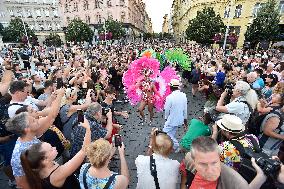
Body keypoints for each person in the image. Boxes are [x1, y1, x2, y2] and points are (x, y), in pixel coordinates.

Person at [5, 89, 64, 189]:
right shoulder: (19, 153)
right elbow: (21, 183)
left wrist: (58, 96)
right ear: (26, 129)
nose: (37, 119)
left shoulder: (33, 134)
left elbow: (52, 116)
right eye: (33, 120)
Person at [20, 117, 91, 189]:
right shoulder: (57, 175)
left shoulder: (39, 170)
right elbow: (83, 151)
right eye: (51, 149)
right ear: (45, 160)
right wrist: (88, 129)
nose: (54, 148)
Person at [180, 136, 250, 189]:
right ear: (194, 160)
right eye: (203, 164)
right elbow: (184, 177)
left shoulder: (237, 183)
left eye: (214, 163)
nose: (210, 170)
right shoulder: (188, 158)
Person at [163, 79, 187, 152]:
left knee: (165, 133)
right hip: (180, 119)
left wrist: (166, 118)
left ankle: (176, 145)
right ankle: (171, 147)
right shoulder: (183, 95)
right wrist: (185, 120)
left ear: (171, 87)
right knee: (171, 134)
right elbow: (185, 109)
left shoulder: (169, 97)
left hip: (171, 119)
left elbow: (167, 110)